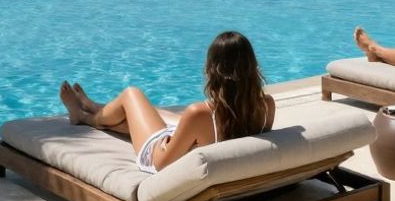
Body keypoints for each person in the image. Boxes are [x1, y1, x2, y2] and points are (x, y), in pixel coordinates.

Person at [59, 31, 275, 174]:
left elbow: (162, 164)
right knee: (152, 112)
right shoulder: (266, 105)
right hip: (203, 143)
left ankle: (87, 117)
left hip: (157, 155)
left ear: (213, 69)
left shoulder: (199, 114)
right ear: (251, 66)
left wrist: (167, 142)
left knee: (131, 94)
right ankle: (92, 105)